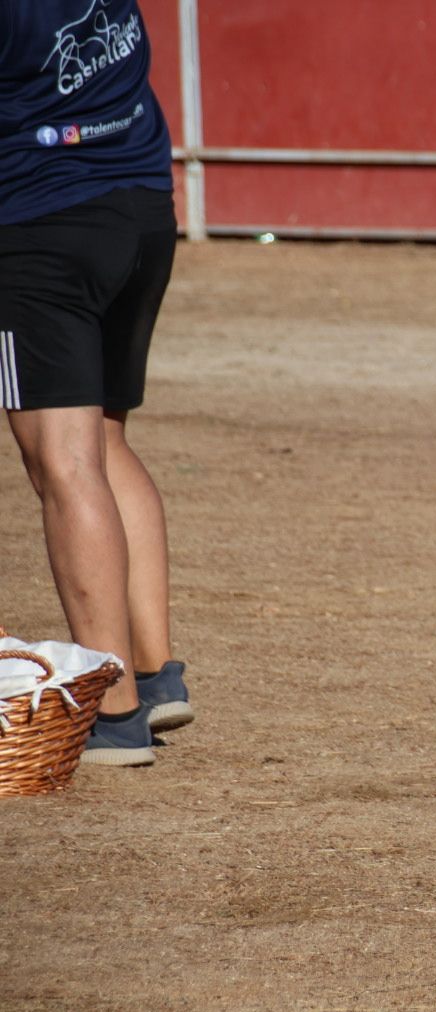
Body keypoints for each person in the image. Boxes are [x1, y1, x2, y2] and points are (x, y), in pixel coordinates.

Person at [2, 0, 194, 766]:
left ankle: (111, 712)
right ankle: (154, 674)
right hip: (142, 209)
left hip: (39, 228)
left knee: (61, 459)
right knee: (105, 439)